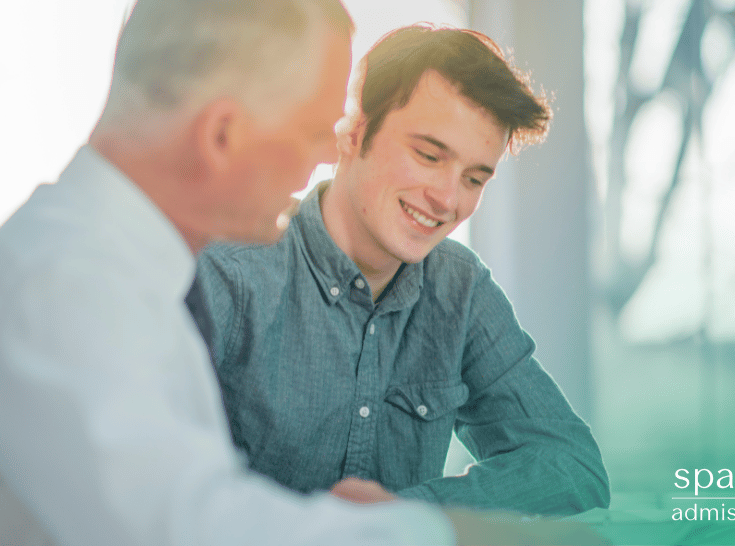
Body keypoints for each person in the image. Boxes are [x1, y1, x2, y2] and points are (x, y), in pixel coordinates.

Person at [0, 2, 466, 544]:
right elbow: (186, 528)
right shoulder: (65, 284)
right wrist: (430, 532)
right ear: (222, 136)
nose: (328, 156)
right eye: (315, 132)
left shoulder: (114, 272)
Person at [191, 24, 611, 516]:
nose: (448, 200)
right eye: (429, 156)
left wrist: (401, 512)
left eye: (474, 178)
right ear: (353, 132)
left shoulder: (460, 289)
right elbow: (156, 486)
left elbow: (572, 467)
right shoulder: (229, 269)